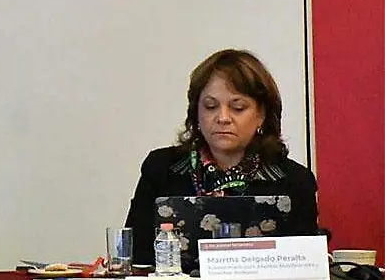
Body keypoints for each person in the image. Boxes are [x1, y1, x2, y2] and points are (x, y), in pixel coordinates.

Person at [124, 49, 319, 265]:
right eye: (211, 106)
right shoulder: (161, 169)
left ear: (261, 115)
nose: (223, 118)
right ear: (196, 113)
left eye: (238, 108)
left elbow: (306, 266)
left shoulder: (295, 181)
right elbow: (135, 259)